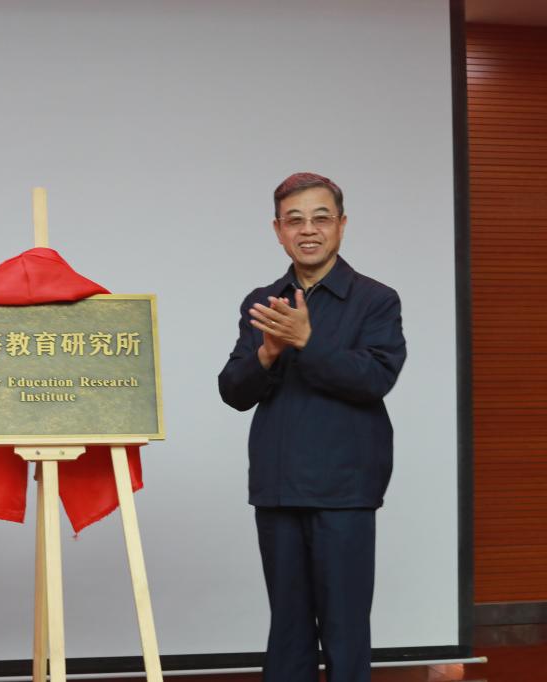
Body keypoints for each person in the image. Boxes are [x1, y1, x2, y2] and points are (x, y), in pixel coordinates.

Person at [218, 172, 406, 682]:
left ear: (341, 225)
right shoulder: (264, 302)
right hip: (278, 485)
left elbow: (374, 379)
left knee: (345, 626)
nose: (308, 230)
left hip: (345, 487)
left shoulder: (376, 299)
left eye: (321, 218)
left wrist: (307, 342)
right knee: (288, 628)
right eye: (294, 220)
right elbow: (233, 391)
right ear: (278, 230)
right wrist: (266, 353)